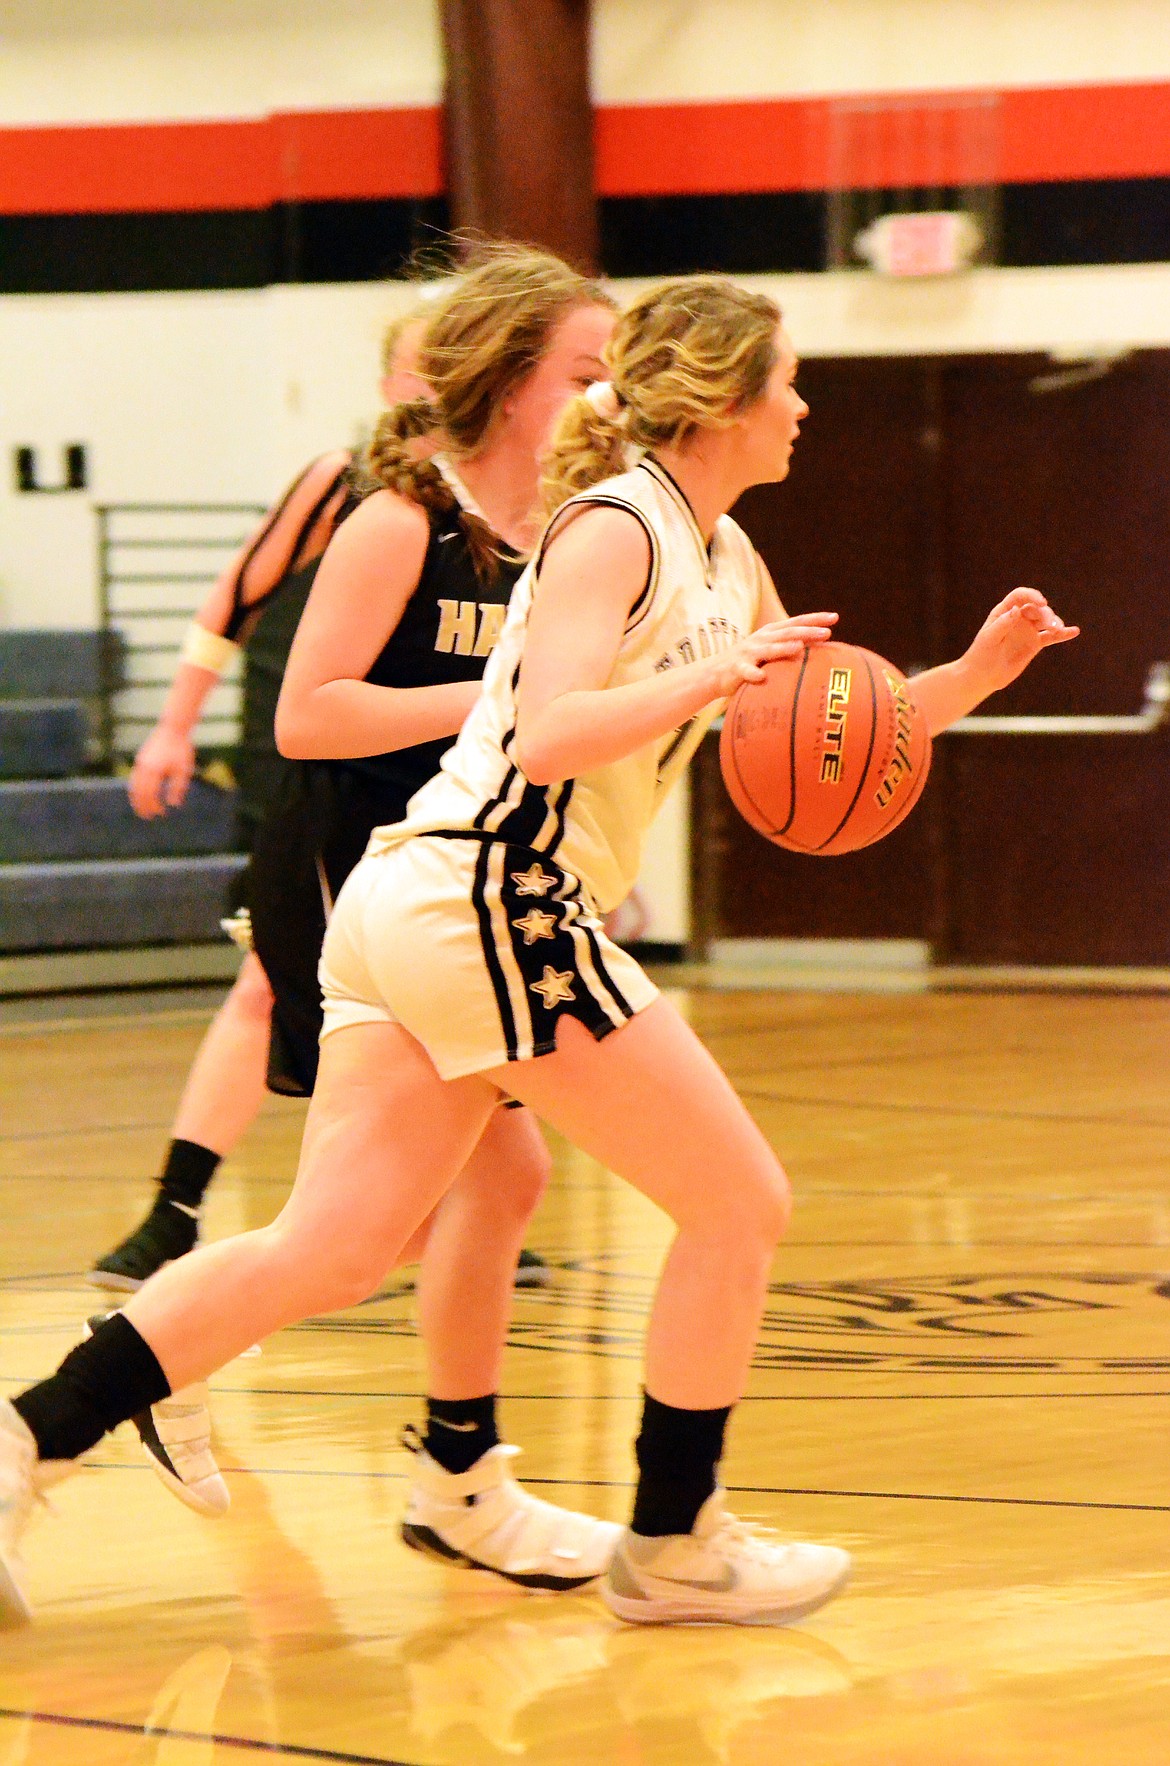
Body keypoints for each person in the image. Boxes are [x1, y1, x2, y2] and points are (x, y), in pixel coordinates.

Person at [0, 274, 1076, 1628]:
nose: (802, 406)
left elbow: (816, 722)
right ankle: (675, 1539)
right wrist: (701, 679)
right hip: (491, 898)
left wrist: (969, 675)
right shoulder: (610, 529)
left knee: (328, 1247)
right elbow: (547, 735)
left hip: (435, 909)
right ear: (727, 402)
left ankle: (29, 1433)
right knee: (738, 1204)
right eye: (787, 383)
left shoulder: (725, 557)